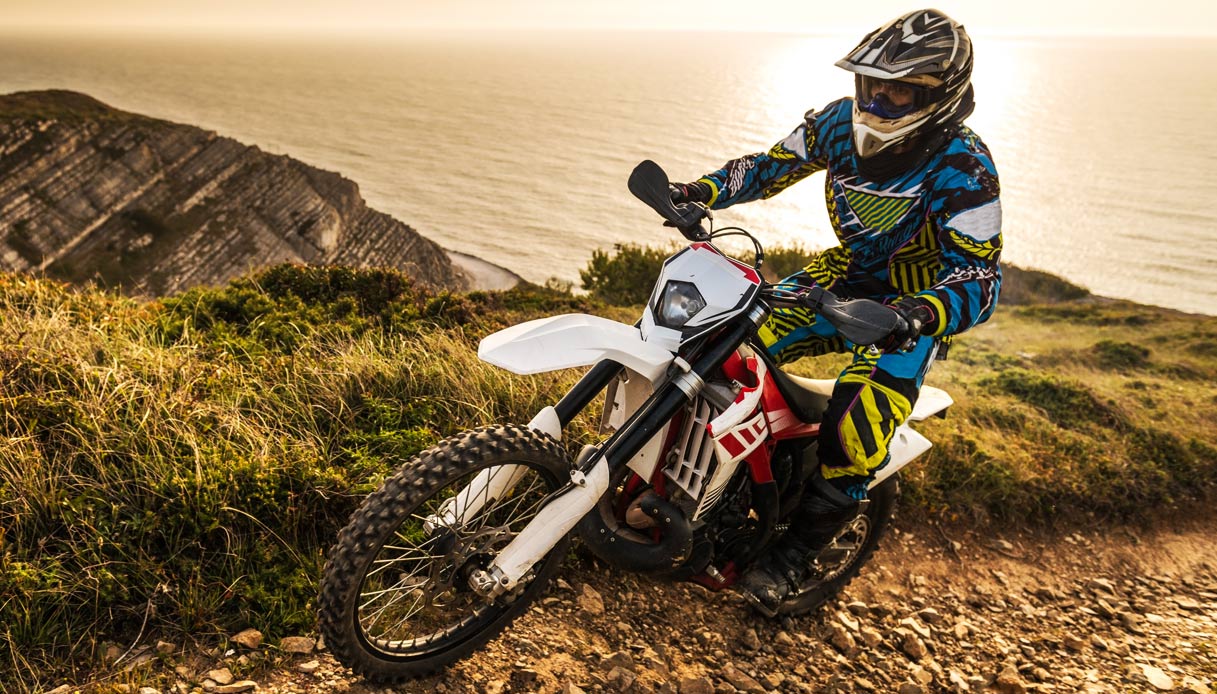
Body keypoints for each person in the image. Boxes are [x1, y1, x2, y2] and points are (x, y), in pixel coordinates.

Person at [668, 8, 1002, 614]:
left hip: (907, 309)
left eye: (899, 89)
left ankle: (792, 558)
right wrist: (700, 191)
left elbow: (980, 276)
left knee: (857, 423)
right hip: (841, 277)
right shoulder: (834, 124)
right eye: (871, 83)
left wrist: (920, 317)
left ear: (940, 95)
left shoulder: (967, 165)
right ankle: (694, 490)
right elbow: (768, 167)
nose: (878, 99)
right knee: (719, 344)